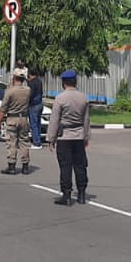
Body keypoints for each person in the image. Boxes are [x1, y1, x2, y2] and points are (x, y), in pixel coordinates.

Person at [47, 69, 90, 205]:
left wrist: (51, 138)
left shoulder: (60, 98)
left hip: (64, 137)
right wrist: (86, 137)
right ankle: (81, 194)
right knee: (80, 165)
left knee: (65, 166)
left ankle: (66, 195)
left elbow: (54, 120)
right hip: (79, 136)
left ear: (63, 83)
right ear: (75, 82)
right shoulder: (83, 98)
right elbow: (86, 120)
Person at [0, 70, 33, 175]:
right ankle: (25, 166)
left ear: (14, 78)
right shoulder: (28, 90)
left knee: (11, 142)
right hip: (24, 118)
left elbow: (3, 108)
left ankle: (11, 165)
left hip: (12, 118)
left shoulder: (10, 91)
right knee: (24, 142)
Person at [28, 67, 44, 149]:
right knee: (38, 123)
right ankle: (38, 140)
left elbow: (30, 94)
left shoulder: (31, 82)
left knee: (33, 124)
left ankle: (36, 143)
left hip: (33, 105)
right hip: (40, 103)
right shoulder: (39, 81)